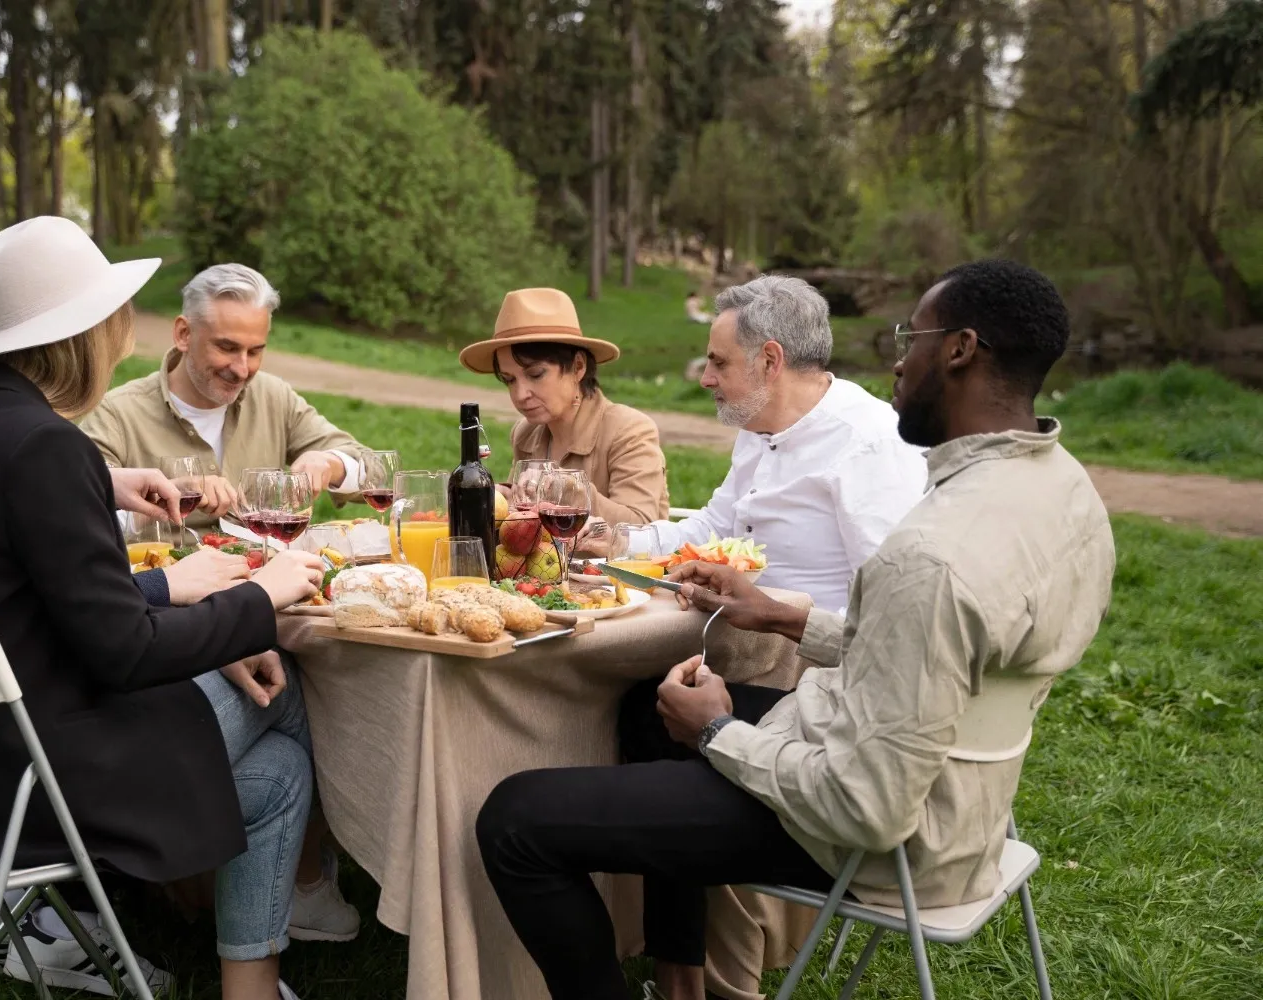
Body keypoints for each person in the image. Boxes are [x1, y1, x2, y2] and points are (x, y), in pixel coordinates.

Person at [475, 258, 1115, 1000]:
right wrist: (781, 614)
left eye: (913, 338)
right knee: (647, 709)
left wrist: (720, 733)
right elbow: (932, 648)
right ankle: (683, 982)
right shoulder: (1066, 493)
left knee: (515, 820)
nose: (898, 361)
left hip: (887, 836)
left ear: (961, 350)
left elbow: (867, 807)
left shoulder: (927, 550)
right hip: (961, 797)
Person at [0, 216, 328, 1000]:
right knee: (287, 694)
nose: (124, 338)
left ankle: (249, 980)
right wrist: (261, 597)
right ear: (76, 335)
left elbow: (39, 592)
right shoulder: (44, 448)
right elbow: (125, 652)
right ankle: (342, 884)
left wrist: (103, 490)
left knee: (280, 769)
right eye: (115, 320)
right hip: (34, 780)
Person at [590, 275, 926, 616]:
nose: (705, 378)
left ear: (770, 361)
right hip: (733, 637)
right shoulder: (757, 421)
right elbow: (714, 529)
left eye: (719, 362)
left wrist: (788, 630)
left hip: (813, 659)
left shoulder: (871, 442)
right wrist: (621, 543)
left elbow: (892, 604)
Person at [81, 263, 374, 523]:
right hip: (166, 581)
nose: (242, 369)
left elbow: (375, 471)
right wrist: (168, 493)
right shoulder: (115, 414)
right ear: (184, 334)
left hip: (269, 581)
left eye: (255, 351)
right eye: (227, 348)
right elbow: (77, 509)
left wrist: (332, 464)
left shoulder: (274, 397)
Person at [459, 287, 669, 524]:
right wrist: (506, 502)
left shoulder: (629, 430)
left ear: (578, 367)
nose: (520, 394)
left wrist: (571, 490)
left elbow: (641, 527)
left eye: (536, 374)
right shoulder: (525, 433)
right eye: (509, 380)